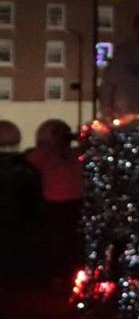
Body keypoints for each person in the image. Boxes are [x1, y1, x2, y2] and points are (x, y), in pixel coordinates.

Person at [25, 119, 83, 284]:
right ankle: (57, 275)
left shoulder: (76, 153)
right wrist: (52, 146)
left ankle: (72, 273)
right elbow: (31, 157)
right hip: (55, 203)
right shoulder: (47, 154)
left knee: (72, 240)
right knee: (56, 241)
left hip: (74, 201)